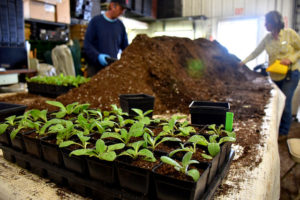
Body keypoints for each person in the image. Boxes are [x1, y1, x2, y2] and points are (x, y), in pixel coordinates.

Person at [239, 11, 300, 141]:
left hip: (290, 74)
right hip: (275, 76)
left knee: (285, 101)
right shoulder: (268, 39)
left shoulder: (289, 34)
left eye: (267, 22)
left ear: (275, 23)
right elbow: (255, 52)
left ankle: (283, 132)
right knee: (276, 101)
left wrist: (290, 59)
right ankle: (276, 128)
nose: (265, 25)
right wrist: (242, 62)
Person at [83, 0, 129, 77]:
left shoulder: (120, 26)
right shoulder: (96, 22)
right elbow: (87, 45)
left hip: (111, 70)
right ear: (112, 5)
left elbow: (126, 48)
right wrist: (98, 56)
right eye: (121, 9)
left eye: (124, 10)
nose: (122, 12)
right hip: (95, 70)